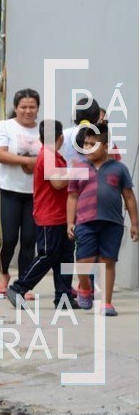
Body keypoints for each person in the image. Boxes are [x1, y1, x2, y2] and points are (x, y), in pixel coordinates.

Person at [67, 124, 137, 316]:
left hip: (112, 223)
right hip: (85, 221)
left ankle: (107, 303)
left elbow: (129, 196)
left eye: (92, 144)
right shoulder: (79, 168)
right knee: (84, 259)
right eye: (85, 144)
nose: (87, 148)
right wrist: (69, 222)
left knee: (108, 261)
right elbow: (72, 196)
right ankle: (84, 287)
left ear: (106, 146)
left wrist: (135, 224)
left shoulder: (119, 169)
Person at [7, 120, 75, 309]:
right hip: (49, 215)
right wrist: (79, 172)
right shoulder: (48, 156)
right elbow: (57, 183)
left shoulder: (53, 156)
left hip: (61, 215)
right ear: (60, 138)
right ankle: (18, 288)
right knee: (47, 255)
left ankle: (64, 297)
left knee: (66, 257)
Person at [0, 89, 41, 296]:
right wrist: (29, 161)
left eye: (32, 107)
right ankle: (3, 272)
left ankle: (24, 283)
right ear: (16, 107)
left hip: (36, 193)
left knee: (30, 239)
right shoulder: (5, 126)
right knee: (8, 238)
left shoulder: (43, 131)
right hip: (9, 190)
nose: (28, 111)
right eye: (24, 107)